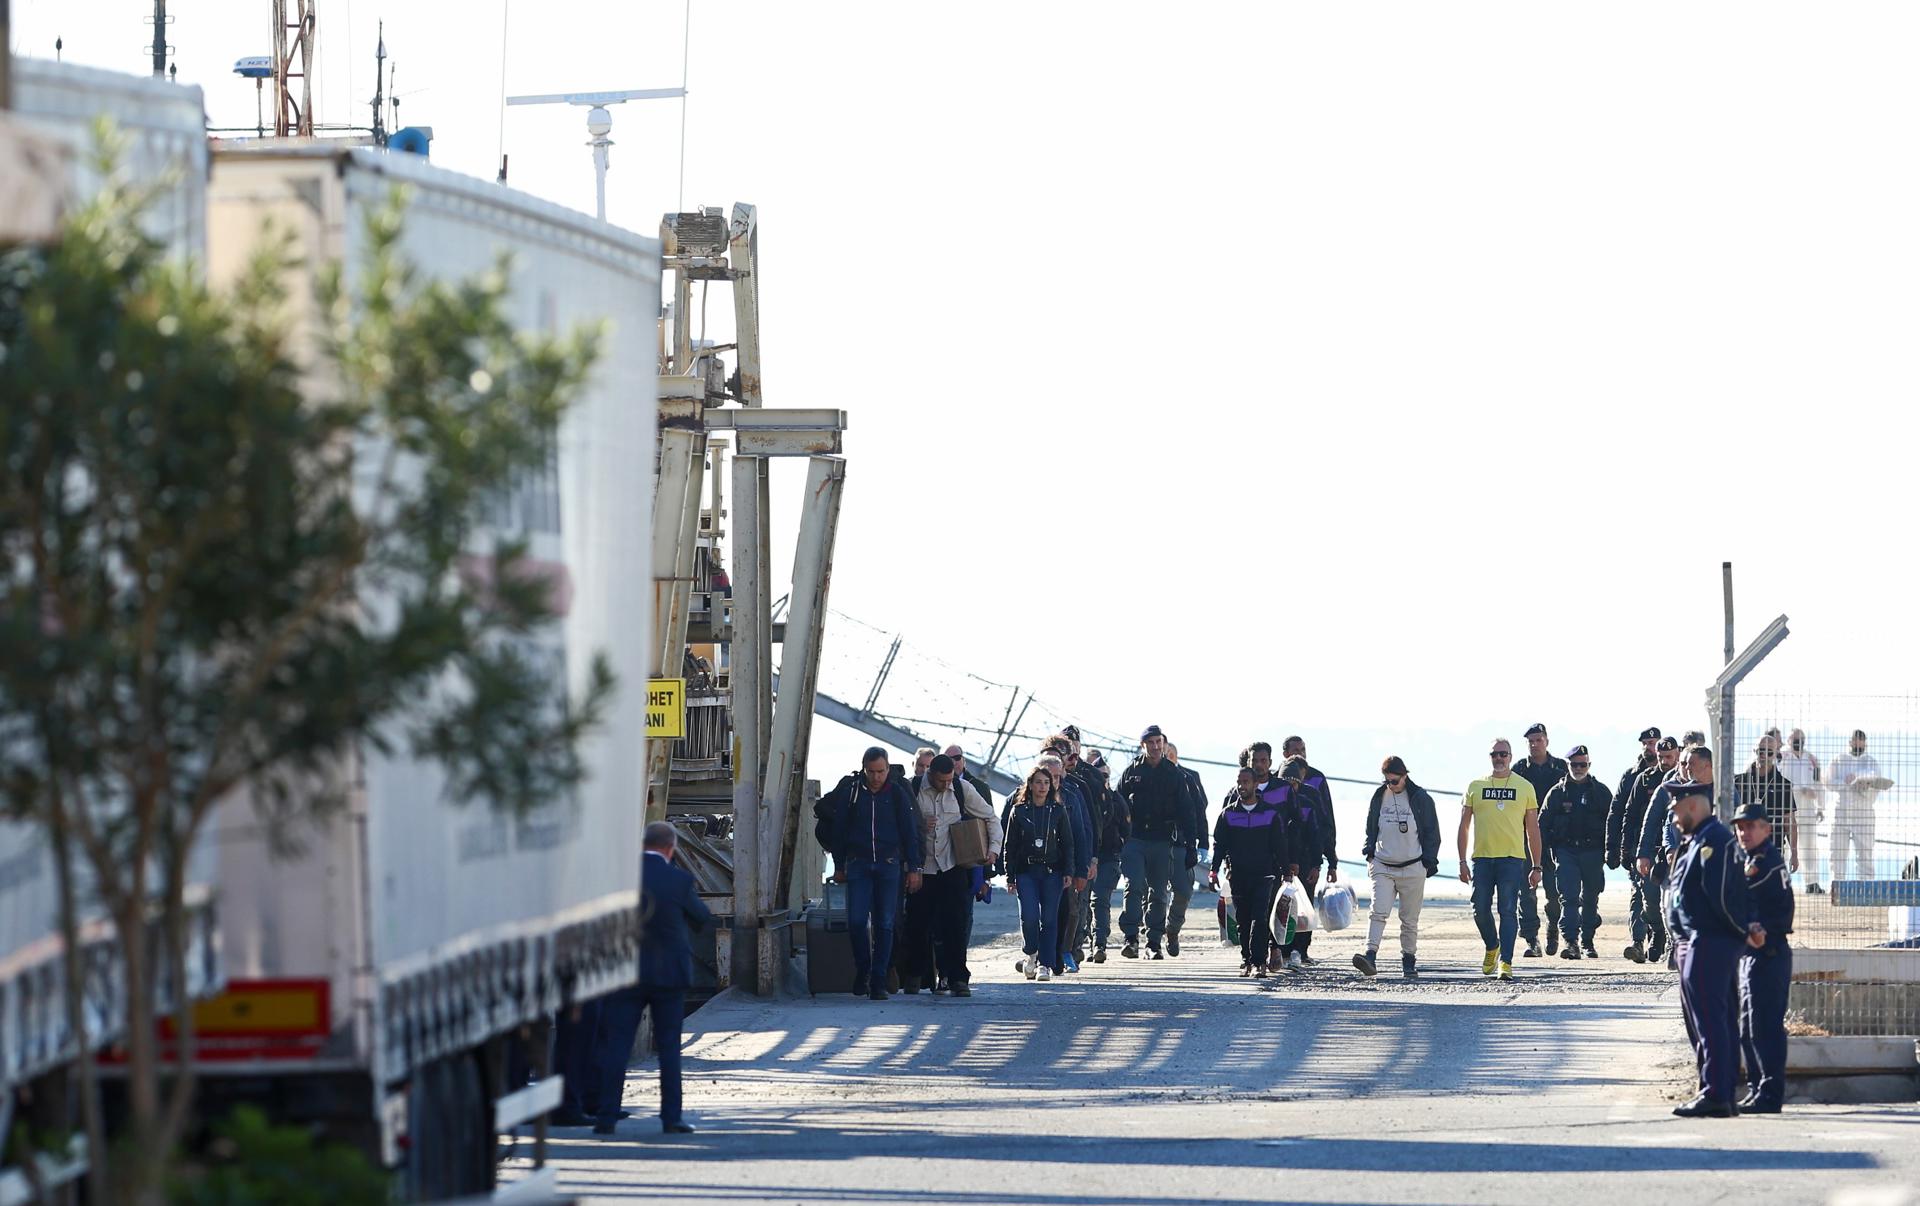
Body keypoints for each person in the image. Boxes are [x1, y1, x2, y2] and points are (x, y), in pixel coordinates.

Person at [592, 821, 712, 1135]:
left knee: (617, 1045)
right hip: (669, 975)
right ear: (671, 848)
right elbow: (702, 920)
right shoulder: (679, 880)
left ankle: (606, 1117)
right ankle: (671, 1118)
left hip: (626, 972)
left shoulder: (620, 882)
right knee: (670, 1047)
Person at [1666, 780, 1757, 1118]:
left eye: (1676, 810)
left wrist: (1737, 932)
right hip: (1693, 940)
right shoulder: (1696, 840)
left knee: (1711, 1021)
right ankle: (1716, 1088)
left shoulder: (1714, 841)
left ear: (1691, 805)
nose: (1674, 818)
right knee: (1703, 1020)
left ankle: (1717, 1092)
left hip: (1708, 940)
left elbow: (1721, 897)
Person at [827, 747, 925, 1000]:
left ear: (888, 768)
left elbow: (909, 832)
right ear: (864, 768)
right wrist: (839, 865)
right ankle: (863, 969)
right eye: (871, 772)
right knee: (857, 921)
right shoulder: (852, 793)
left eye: (881, 771)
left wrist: (914, 867)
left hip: (889, 864)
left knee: (885, 923)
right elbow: (839, 832)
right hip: (858, 864)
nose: (876, 777)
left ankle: (878, 979)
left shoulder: (897, 795)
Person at [901, 754, 1000, 997]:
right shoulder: (913, 788)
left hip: (952, 866)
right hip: (922, 869)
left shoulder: (961, 788)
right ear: (930, 775)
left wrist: (994, 849)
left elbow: (990, 817)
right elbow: (900, 825)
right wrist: (921, 825)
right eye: (941, 781)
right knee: (917, 924)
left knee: (955, 925)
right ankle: (915, 975)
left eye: (949, 780)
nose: (946, 785)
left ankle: (957, 978)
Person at [1459, 738, 1543, 981]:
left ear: (1510, 756)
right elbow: (1464, 826)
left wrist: (1536, 865)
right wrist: (1462, 861)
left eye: (1503, 754)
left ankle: (1506, 961)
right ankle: (1492, 946)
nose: (1499, 758)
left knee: (1507, 909)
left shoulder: (1524, 786)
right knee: (1479, 909)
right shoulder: (1475, 786)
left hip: (1512, 859)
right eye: (1494, 754)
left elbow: (1533, 830)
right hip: (1482, 859)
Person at [1733, 800, 1794, 1114]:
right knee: (1749, 1027)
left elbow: (1744, 901)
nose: (1744, 832)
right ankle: (1759, 1088)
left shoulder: (1763, 863)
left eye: (1751, 826)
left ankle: (1769, 1094)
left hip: (1768, 952)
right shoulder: (1754, 858)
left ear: (1767, 829)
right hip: (1754, 953)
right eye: (1740, 827)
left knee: (1764, 1027)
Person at [1356, 756, 1440, 980]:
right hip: (1383, 864)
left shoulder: (1420, 798)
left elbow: (1433, 833)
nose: (1390, 785)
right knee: (1378, 911)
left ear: (1405, 776)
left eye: (1394, 781)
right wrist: (1370, 854)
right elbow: (1370, 825)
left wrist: (1428, 863)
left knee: (1409, 918)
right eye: (1387, 781)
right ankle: (1370, 955)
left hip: (1413, 866)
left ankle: (1409, 960)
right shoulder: (1379, 795)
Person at [1116, 725, 1193, 960]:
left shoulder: (1174, 774)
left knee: (1159, 892)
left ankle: (1153, 942)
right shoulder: (1131, 772)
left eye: (1159, 742)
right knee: (1134, 885)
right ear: (1143, 745)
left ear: (1164, 744)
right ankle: (1130, 937)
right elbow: (1117, 806)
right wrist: (1119, 838)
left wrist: (1191, 845)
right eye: (1151, 742)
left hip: (1162, 841)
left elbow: (1187, 811)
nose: (1156, 746)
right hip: (1135, 839)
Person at [1211, 766, 1290, 977]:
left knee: (1259, 917)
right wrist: (1213, 871)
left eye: (1246, 782)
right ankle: (1247, 960)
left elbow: (1279, 845)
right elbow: (1219, 845)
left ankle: (1259, 962)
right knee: (1243, 920)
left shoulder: (1270, 813)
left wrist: (1286, 870)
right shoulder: (1228, 814)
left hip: (1264, 875)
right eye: (1239, 782)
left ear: (1256, 785)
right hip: (1238, 875)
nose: (1241, 786)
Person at [1540, 745, 1610, 960]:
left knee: (1590, 897)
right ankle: (1571, 942)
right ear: (1567, 765)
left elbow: (1613, 822)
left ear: (1589, 765)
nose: (1578, 768)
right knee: (1569, 898)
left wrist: (1613, 852)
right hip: (1566, 851)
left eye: (1583, 764)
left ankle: (1588, 941)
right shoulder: (1557, 793)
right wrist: (1546, 853)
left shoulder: (1600, 792)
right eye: (1574, 764)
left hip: (1593, 852)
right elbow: (1542, 824)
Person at [1615, 736, 1681, 963]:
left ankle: (1666, 941)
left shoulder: (1684, 781)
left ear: (1678, 755)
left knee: (1670, 897)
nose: (1663, 761)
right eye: (1661, 757)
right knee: (1648, 898)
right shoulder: (1644, 780)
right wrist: (1625, 849)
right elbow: (1630, 816)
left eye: (1668, 757)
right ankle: (1657, 932)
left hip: (1673, 847)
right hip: (1649, 848)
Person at [1003, 764, 1071, 981]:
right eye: (1038, 782)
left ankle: (1045, 964)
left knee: (1050, 919)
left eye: (1046, 782)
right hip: (1026, 872)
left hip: (1052, 871)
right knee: (1030, 917)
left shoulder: (1058, 811)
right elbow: (1010, 845)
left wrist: (1069, 870)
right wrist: (1009, 875)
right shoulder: (1019, 811)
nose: (1042, 786)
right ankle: (1030, 953)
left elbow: (1068, 844)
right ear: (1030, 785)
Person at [1266, 757, 1330, 969]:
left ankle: (1300, 950)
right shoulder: (1270, 799)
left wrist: (1318, 864)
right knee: (1279, 906)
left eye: (1293, 783)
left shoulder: (1310, 799)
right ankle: (1278, 949)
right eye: (1286, 782)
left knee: (1304, 907)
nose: (1290, 787)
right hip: (1277, 860)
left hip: (1303, 861)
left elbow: (1318, 834)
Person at [1512, 723, 1569, 957]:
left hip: (1553, 839)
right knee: (1526, 890)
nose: (1534, 744)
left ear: (1546, 741)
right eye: (1531, 741)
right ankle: (1531, 939)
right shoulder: (1519, 770)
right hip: (1524, 837)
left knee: (1555, 892)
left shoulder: (1560, 768)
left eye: (1538, 740)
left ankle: (1553, 928)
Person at [1035, 747, 1092, 974]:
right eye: (1050, 777)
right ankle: (1036, 954)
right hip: (1032, 866)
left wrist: (1082, 868)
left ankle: (1055, 955)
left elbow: (1081, 833)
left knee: (1062, 911)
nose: (1054, 781)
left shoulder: (1072, 796)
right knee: (1034, 913)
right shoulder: (1022, 798)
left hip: (1062, 866)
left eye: (1058, 776)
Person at [1164, 742, 1210, 957]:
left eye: (1171, 754)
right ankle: (1152, 939)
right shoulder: (1147, 776)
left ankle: (1172, 929)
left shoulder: (1189, 777)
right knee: (1152, 893)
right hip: (1155, 843)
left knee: (1183, 890)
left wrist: (1203, 843)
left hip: (1183, 843)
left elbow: (1200, 810)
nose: (1168, 757)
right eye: (1165, 754)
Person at [1083, 749, 1129, 963]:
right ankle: (1084, 942)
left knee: (1099, 900)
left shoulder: (1117, 800)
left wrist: (1120, 848)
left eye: (1105, 776)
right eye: (1097, 776)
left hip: (1109, 857)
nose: (1101, 780)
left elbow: (1127, 829)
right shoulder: (1084, 798)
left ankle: (1099, 943)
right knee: (1083, 903)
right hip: (1085, 857)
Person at [1732, 735, 1800, 875]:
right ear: (1754, 751)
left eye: (1769, 752)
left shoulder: (1783, 784)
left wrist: (1794, 853)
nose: (1764, 755)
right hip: (1742, 845)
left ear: (1776, 754)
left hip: (1772, 846)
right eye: (1760, 751)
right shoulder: (1738, 781)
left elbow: (1789, 821)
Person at [1829, 729, 1887, 882]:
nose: (1858, 744)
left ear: (1865, 744)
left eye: (1861, 742)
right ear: (1850, 742)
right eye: (1855, 741)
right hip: (1841, 812)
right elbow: (1828, 782)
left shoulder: (1871, 762)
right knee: (1837, 851)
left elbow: (1876, 780)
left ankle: (1866, 887)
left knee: (1865, 851)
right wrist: (1845, 783)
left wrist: (1858, 779)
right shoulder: (1839, 760)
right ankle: (1837, 886)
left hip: (1864, 813)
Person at [1778, 728, 1825, 896]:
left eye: (1802, 739)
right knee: (1787, 845)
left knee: (1810, 846)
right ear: (1789, 740)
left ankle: (1812, 883)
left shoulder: (1812, 759)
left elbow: (1819, 784)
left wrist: (1821, 806)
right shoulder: (1782, 756)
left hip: (1808, 809)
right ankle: (1782, 882)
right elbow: (1779, 780)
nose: (1799, 742)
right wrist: (1800, 789)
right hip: (1788, 808)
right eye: (1795, 739)